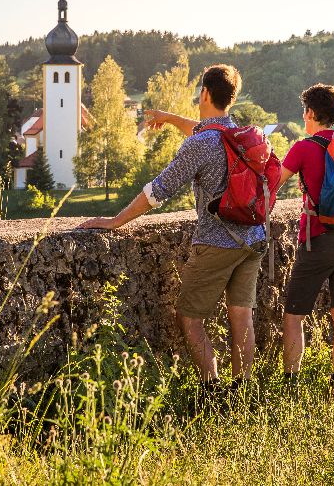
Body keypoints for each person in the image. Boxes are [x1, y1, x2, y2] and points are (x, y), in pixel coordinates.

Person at [78, 65, 266, 391]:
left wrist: (113, 221)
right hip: (252, 238)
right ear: (231, 98)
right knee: (242, 318)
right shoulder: (244, 136)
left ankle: (213, 389)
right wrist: (172, 118)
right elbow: (207, 132)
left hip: (217, 242)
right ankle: (244, 393)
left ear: (204, 93)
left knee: (190, 318)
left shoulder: (202, 143)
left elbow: (158, 191)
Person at [275, 84, 334, 394]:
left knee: (294, 317)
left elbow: (272, 184)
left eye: (304, 111)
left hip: (319, 239)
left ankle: (291, 387)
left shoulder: (303, 147)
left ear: (311, 113)